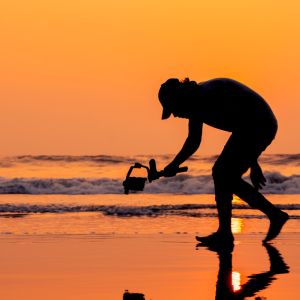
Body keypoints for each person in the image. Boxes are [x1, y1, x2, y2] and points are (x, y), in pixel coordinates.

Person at [158, 77, 289, 249]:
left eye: (173, 109)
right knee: (222, 174)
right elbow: (195, 140)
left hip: (260, 124)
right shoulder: (196, 100)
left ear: (180, 98)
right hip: (251, 126)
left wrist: (253, 163)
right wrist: (173, 165)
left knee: (222, 174)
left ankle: (272, 217)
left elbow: (244, 121)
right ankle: (226, 233)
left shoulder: (205, 97)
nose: (175, 115)